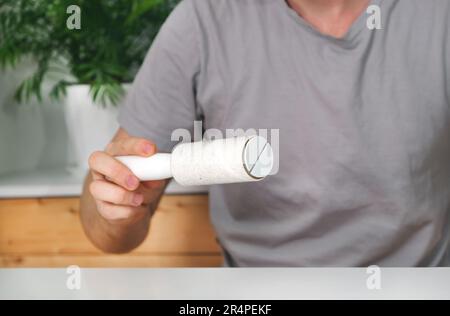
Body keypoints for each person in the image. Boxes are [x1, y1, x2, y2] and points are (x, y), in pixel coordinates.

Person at [80, 0, 450, 266]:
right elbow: (108, 235)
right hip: (256, 299)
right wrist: (116, 208)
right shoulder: (204, 19)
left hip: (419, 285)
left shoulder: (438, 15)